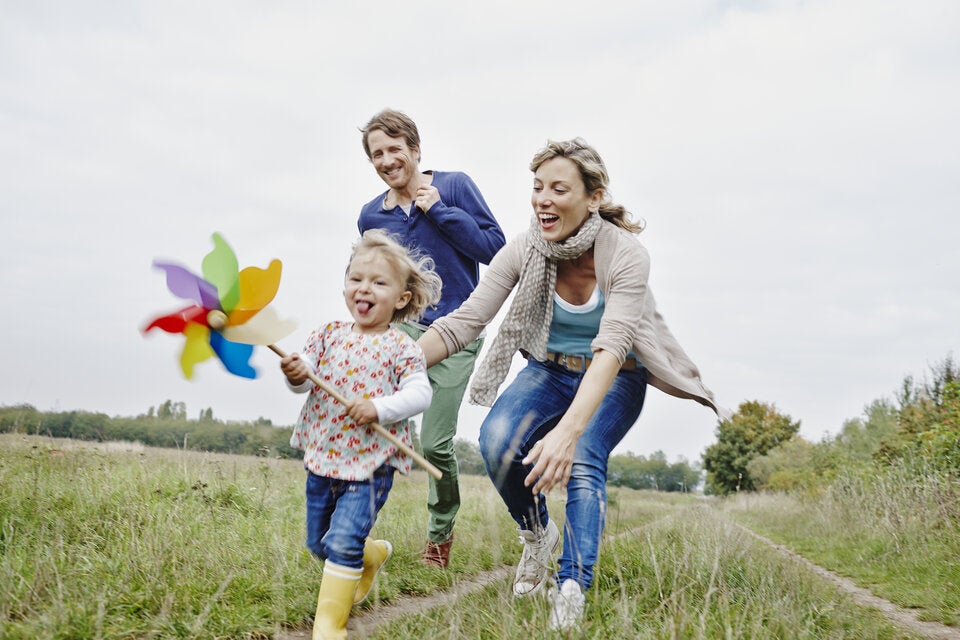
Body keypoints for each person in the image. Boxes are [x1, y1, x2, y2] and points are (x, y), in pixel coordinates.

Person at [418, 138, 723, 630]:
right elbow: (467, 320)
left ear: (593, 197)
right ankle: (538, 535)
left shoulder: (626, 255)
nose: (543, 199)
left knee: (583, 457)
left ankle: (571, 587)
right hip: (550, 369)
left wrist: (568, 432)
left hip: (616, 375)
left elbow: (613, 346)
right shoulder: (526, 248)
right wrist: (392, 365)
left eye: (559, 189)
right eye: (537, 187)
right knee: (497, 442)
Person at [358, 108, 506, 568]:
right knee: (369, 424)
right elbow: (371, 279)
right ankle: (352, 531)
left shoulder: (455, 186)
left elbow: (496, 250)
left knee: (435, 443)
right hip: (401, 331)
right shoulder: (370, 217)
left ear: (416, 149)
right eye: (377, 154)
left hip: (458, 331)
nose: (387, 160)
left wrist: (439, 211)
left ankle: (439, 538)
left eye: (394, 149)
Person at [280, 229, 442, 640]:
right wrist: (296, 374)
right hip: (324, 455)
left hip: (372, 464)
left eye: (378, 282)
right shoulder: (326, 335)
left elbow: (420, 394)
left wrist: (378, 408)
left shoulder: (402, 348)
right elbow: (305, 380)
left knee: (342, 542)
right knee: (319, 543)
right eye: (356, 278)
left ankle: (329, 627)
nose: (364, 288)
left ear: (402, 298)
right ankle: (371, 554)